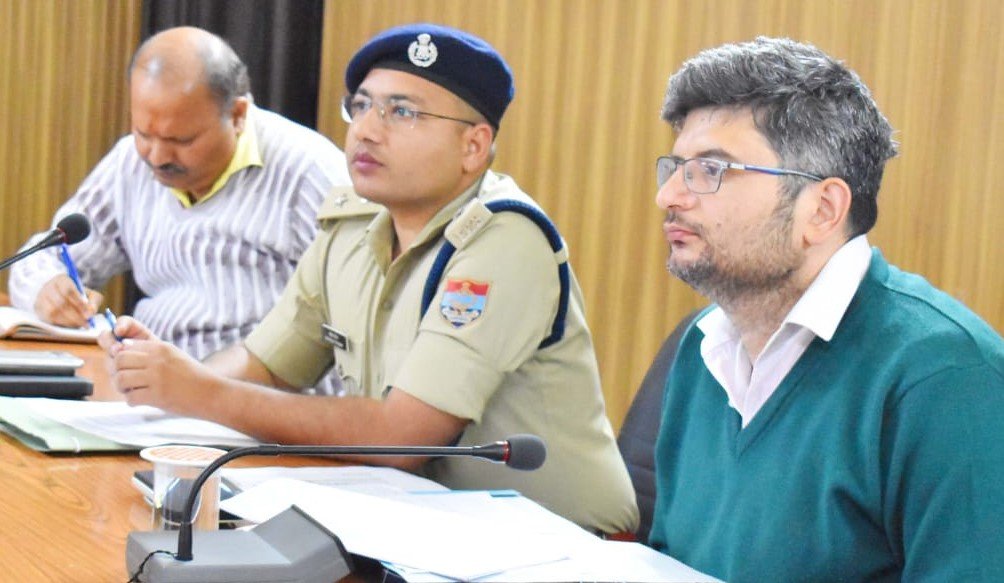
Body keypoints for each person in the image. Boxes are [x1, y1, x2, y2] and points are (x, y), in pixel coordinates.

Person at [100, 23, 638, 535]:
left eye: (402, 112)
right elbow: (268, 366)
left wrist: (201, 392)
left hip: (554, 542)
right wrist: (167, 376)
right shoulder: (353, 226)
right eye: (360, 106)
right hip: (420, 522)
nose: (365, 130)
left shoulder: (504, 239)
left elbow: (404, 435)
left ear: (473, 147)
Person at [648, 37, 1004, 580]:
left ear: (822, 209)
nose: (669, 195)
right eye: (676, 166)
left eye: (711, 168)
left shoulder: (947, 379)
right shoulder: (702, 345)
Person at [8, 26, 350, 360]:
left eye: (181, 140)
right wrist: (47, 288)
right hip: (146, 376)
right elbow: (44, 256)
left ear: (237, 115)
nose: (157, 157)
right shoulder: (130, 163)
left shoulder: (309, 173)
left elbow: (354, 320)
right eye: (143, 133)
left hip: (256, 388)